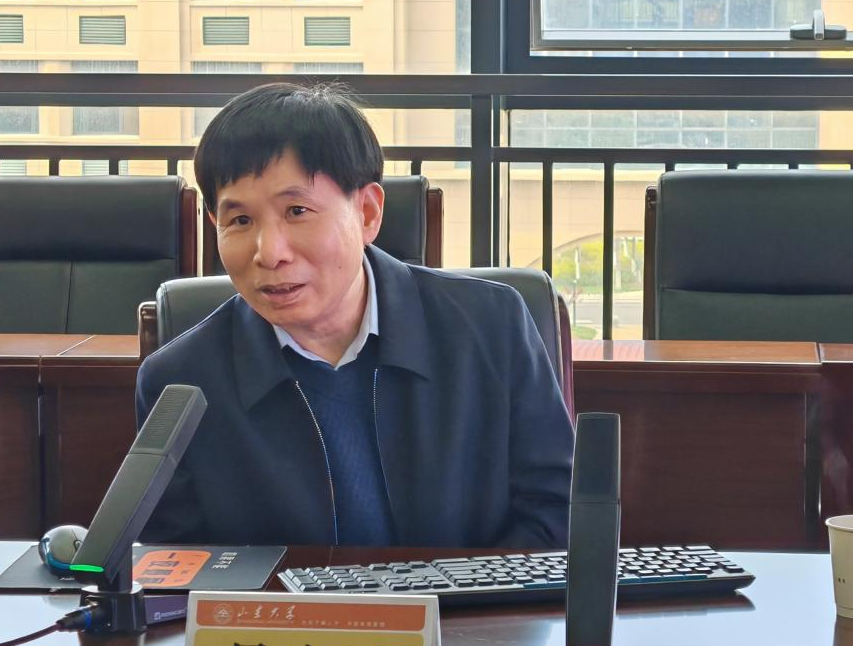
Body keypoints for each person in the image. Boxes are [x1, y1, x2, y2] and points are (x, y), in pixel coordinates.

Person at [136, 82, 573, 547]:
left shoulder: (491, 327)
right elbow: (175, 565)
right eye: (240, 220)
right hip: (277, 601)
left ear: (367, 212)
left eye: (297, 210)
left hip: (470, 596)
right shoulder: (181, 380)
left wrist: (456, 593)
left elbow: (558, 515)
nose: (269, 252)